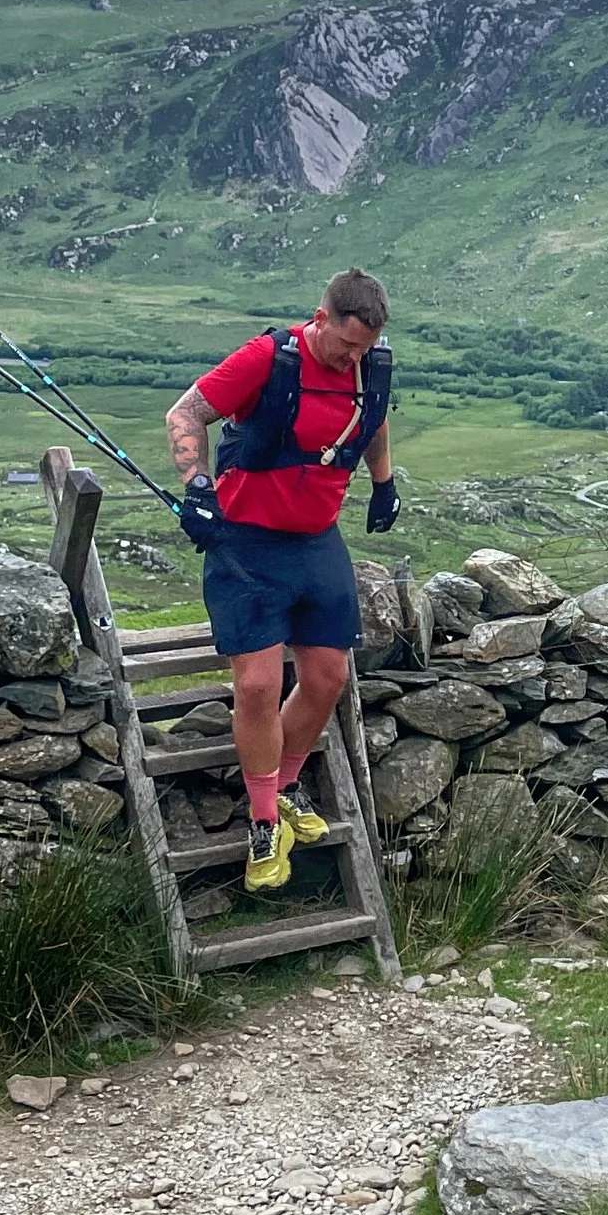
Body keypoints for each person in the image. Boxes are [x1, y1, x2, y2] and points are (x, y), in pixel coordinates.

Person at [164, 269, 400, 893]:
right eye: (346, 345)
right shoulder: (266, 358)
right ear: (320, 319)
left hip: (317, 540)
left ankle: (289, 784)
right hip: (247, 543)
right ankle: (264, 824)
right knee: (258, 686)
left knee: (328, 678)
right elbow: (186, 412)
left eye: (365, 348)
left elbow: (372, 420)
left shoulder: (370, 366)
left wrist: (384, 482)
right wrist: (197, 489)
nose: (355, 357)